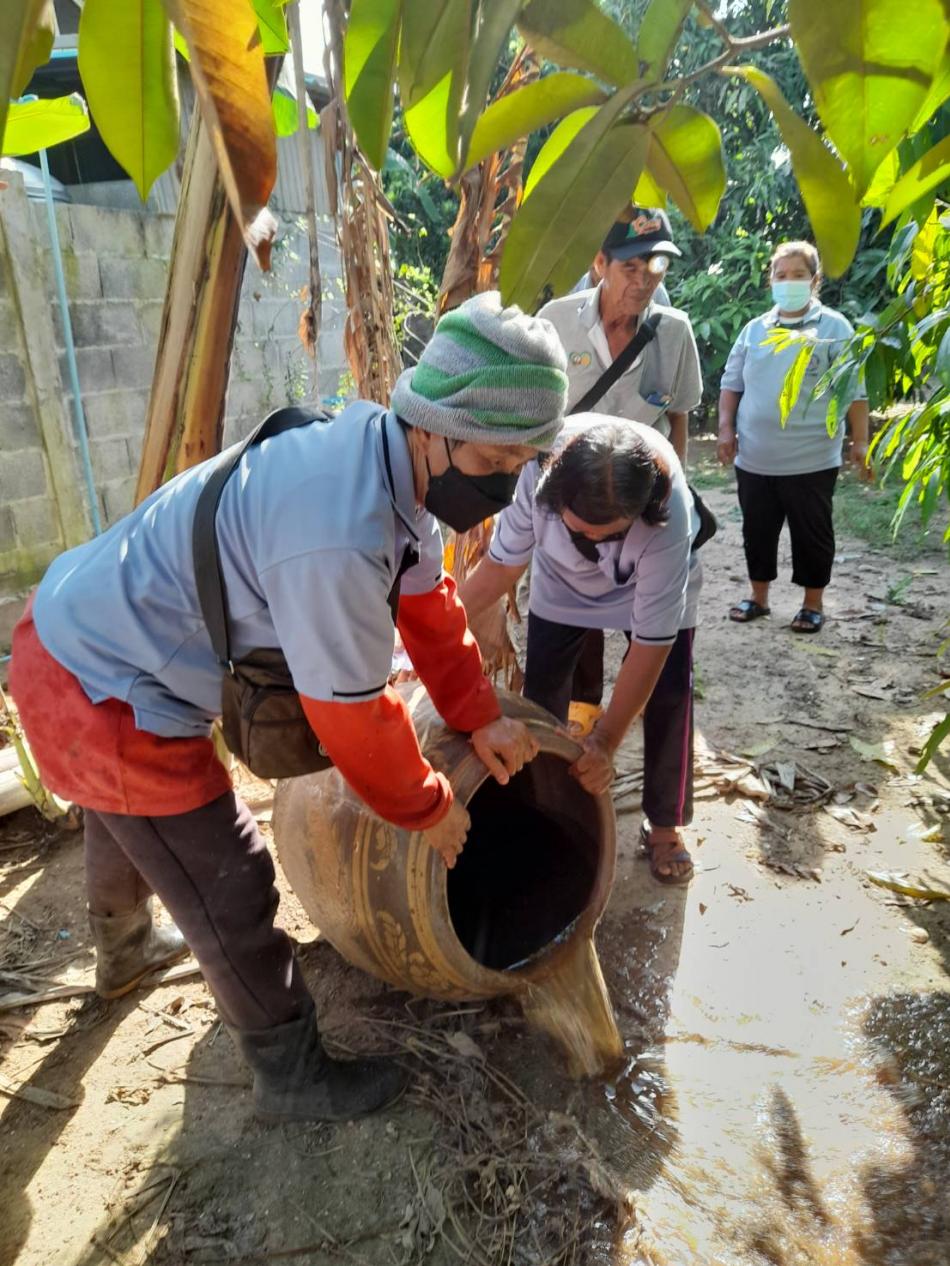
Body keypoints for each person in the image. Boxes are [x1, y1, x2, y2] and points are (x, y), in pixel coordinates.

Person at [9, 292, 568, 1123]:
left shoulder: (388, 464)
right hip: (96, 687)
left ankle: (121, 950)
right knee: (229, 880)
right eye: (493, 463)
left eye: (523, 465)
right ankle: (292, 1077)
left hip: (80, 634)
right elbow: (351, 717)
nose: (502, 485)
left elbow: (430, 606)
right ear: (434, 425)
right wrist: (429, 807)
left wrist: (480, 713)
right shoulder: (338, 527)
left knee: (118, 815)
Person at [459, 416, 701, 885]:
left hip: (647, 588)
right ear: (551, 495)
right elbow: (499, 569)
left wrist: (606, 741)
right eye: (580, 530)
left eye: (608, 533)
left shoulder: (670, 513)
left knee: (670, 696)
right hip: (562, 586)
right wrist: (437, 628)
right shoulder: (533, 472)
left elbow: (650, 646)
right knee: (543, 694)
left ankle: (666, 827)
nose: (593, 540)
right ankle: (539, 807)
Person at [718, 241, 871, 633]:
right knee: (757, 530)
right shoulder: (755, 330)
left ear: (815, 281)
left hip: (811, 457)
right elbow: (731, 384)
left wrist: (859, 441)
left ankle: (812, 603)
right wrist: (725, 429)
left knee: (812, 533)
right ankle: (759, 597)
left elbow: (853, 390)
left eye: (798, 275)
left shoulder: (834, 328)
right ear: (771, 280)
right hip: (755, 456)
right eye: (780, 275)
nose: (788, 283)